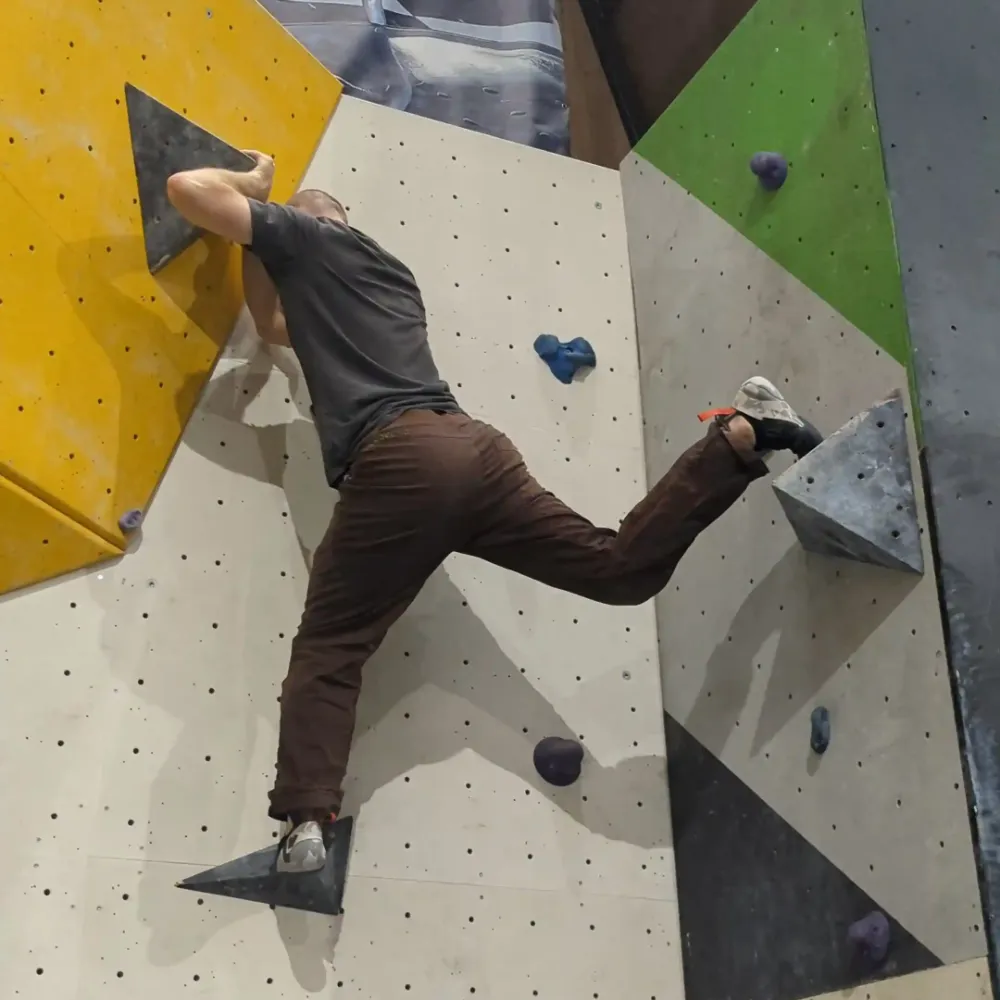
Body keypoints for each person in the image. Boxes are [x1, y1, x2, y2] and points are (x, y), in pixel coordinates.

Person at [166, 151, 822, 873]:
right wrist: (253, 246)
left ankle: (303, 821)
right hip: (472, 451)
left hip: (398, 460)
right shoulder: (389, 279)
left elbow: (187, 190)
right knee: (615, 569)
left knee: (331, 648)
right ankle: (743, 435)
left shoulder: (314, 235)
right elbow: (274, 326)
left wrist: (254, 192)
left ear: (314, 221)